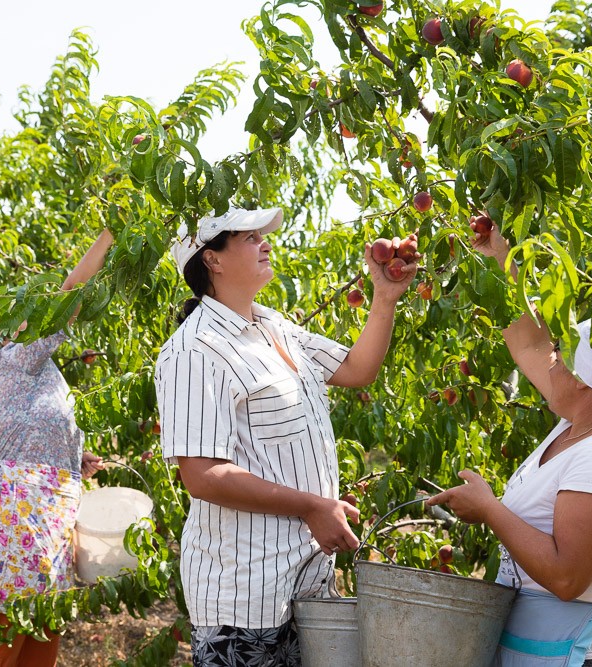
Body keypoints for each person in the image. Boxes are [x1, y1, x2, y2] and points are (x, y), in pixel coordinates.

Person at [154, 207, 417, 666]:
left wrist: (385, 297)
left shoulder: (272, 327)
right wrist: (312, 506)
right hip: (245, 594)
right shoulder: (194, 350)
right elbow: (202, 475)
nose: (265, 242)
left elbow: (357, 369)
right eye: (250, 237)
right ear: (211, 259)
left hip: (308, 579)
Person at [427, 219, 592, 667]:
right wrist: (502, 258)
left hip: (589, 658)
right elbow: (529, 344)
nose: (550, 363)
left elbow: (566, 577)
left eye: (562, 359)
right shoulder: (583, 421)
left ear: (584, 381)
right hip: (547, 650)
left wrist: (489, 509)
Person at [0, 229, 113, 667]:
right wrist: (109, 234)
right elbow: (69, 297)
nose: (37, 318)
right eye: (27, 315)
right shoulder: (14, 359)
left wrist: (75, 460)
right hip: (19, 513)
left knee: (41, 632)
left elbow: (37, 432)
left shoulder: (40, 373)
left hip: (50, 514)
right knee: (2, 631)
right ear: (9, 333)